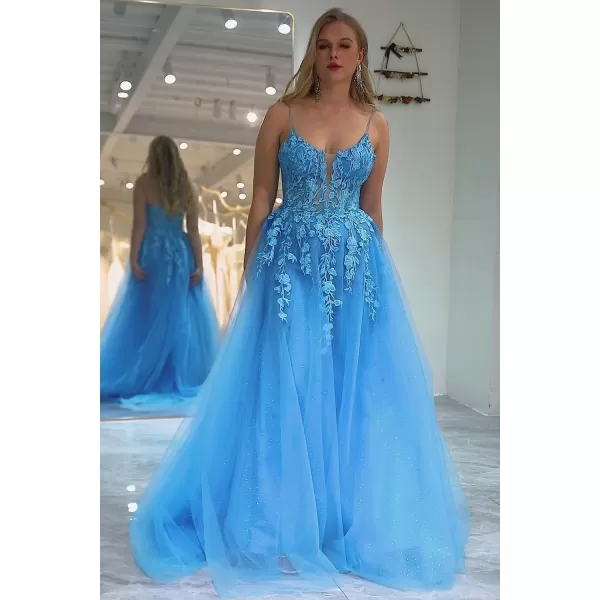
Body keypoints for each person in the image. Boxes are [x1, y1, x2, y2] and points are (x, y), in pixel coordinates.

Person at [128, 8, 469, 596]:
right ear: (314, 52)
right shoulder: (281, 115)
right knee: (288, 382)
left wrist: (375, 283)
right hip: (290, 270)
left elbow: (373, 208)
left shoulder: (378, 125)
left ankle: (338, 515)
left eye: (345, 45)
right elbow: (261, 198)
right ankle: (279, 518)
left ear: (360, 55)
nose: (333, 54)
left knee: (348, 388)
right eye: (324, 44)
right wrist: (252, 273)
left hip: (355, 269)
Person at [100, 135, 219, 411]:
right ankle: (177, 373)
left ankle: (147, 373)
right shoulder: (186, 186)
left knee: (149, 315)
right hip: (179, 253)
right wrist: (199, 264)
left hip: (154, 253)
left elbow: (139, 225)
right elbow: (193, 231)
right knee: (180, 316)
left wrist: (133, 259)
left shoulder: (144, 184)